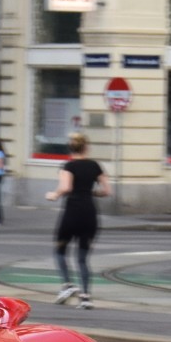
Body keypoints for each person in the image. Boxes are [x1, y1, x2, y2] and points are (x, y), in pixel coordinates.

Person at [45, 131, 111, 309]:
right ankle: (86, 297)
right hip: (89, 213)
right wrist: (91, 192)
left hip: (72, 213)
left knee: (60, 250)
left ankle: (67, 285)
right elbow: (106, 191)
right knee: (82, 258)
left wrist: (54, 194)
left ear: (70, 148)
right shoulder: (95, 166)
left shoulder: (68, 166)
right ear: (86, 147)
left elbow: (66, 187)